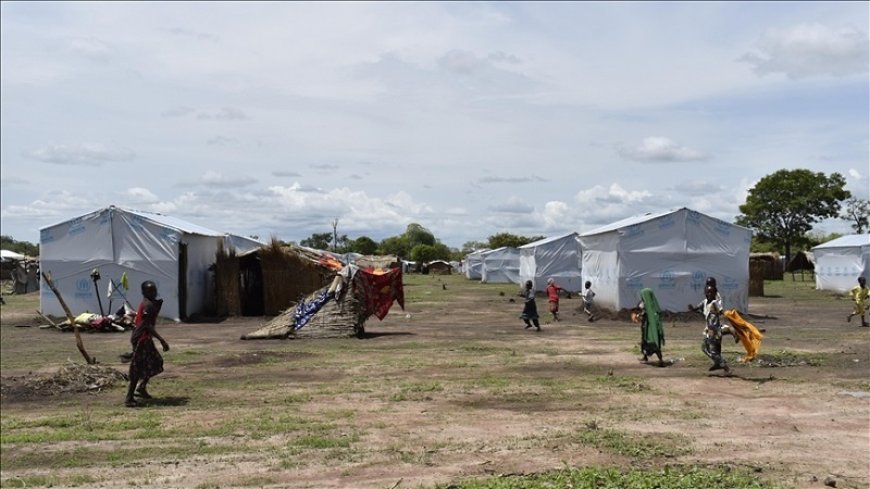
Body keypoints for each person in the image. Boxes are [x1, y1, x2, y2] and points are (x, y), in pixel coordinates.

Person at [125, 281, 169, 407]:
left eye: (154, 290)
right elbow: (147, 325)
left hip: (145, 338)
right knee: (137, 368)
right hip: (141, 339)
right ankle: (129, 398)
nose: (153, 293)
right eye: (150, 291)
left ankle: (142, 387)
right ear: (144, 292)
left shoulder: (148, 304)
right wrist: (161, 340)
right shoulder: (147, 305)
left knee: (156, 361)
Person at [690, 284, 731, 374]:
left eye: (711, 292)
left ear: (714, 293)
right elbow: (697, 308)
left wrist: (728, 315)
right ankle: (718, 363)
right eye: (707, 292)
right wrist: (692, 308)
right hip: (709, 330)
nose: (709, 294)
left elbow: (721, 312)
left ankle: (725, 366)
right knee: (711, 350)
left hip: (714, 331)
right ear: (705, 292)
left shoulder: (715, 303)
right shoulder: (704, 302)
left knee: (709, 349)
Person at [636, 288, 664, 366]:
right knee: (644, 343)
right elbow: (643, 312)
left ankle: (660, 360)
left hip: (652, 331)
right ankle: (645, 357)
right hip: (646, 329)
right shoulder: (646, 306)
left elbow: (656, 321)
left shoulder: (654, 309)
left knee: (654, 343)